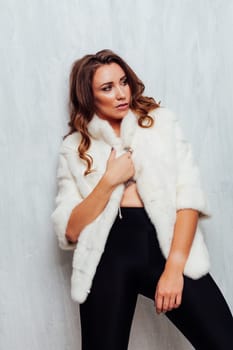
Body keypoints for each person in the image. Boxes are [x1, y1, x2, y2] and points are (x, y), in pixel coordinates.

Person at [51, 49, 233, 350]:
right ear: (88, 96)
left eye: (123, 82)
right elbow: (70, 230)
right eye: (107, 88)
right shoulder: (74, 148)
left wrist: (174, 268)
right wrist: (109, 181)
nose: (121, 93)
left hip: (164, 247)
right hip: (106, 257)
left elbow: (188, 199)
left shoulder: (160, 125)